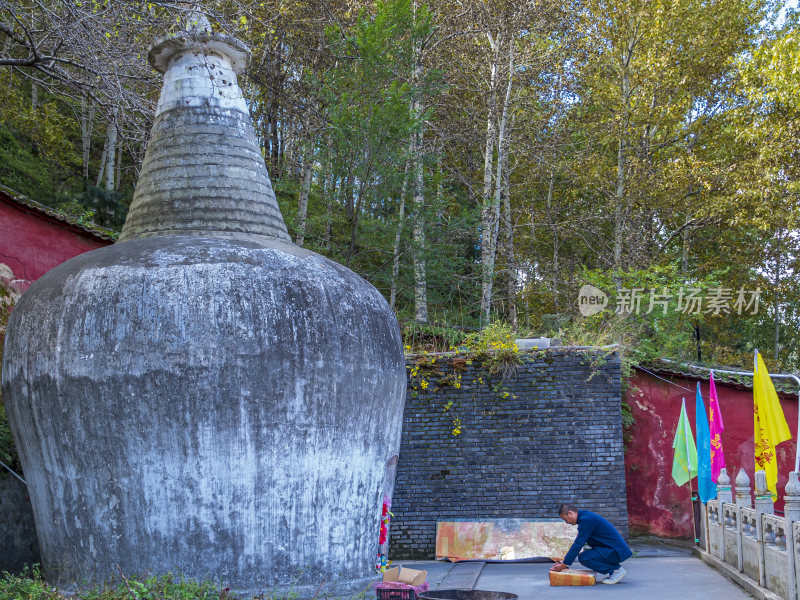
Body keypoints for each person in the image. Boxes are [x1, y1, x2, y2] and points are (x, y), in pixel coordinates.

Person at [549, 503, 632, 585]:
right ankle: (614, 570)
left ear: (570, 513)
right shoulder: (585, 517)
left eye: (565, 519)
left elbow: (578, 544)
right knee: (586, 555)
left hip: (616, 551)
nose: (566, 522)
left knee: (585, 557)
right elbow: (578, 543)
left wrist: (564, 564)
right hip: (611, 549)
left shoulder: (586, 520)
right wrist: (564, 561)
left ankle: (616, 570)